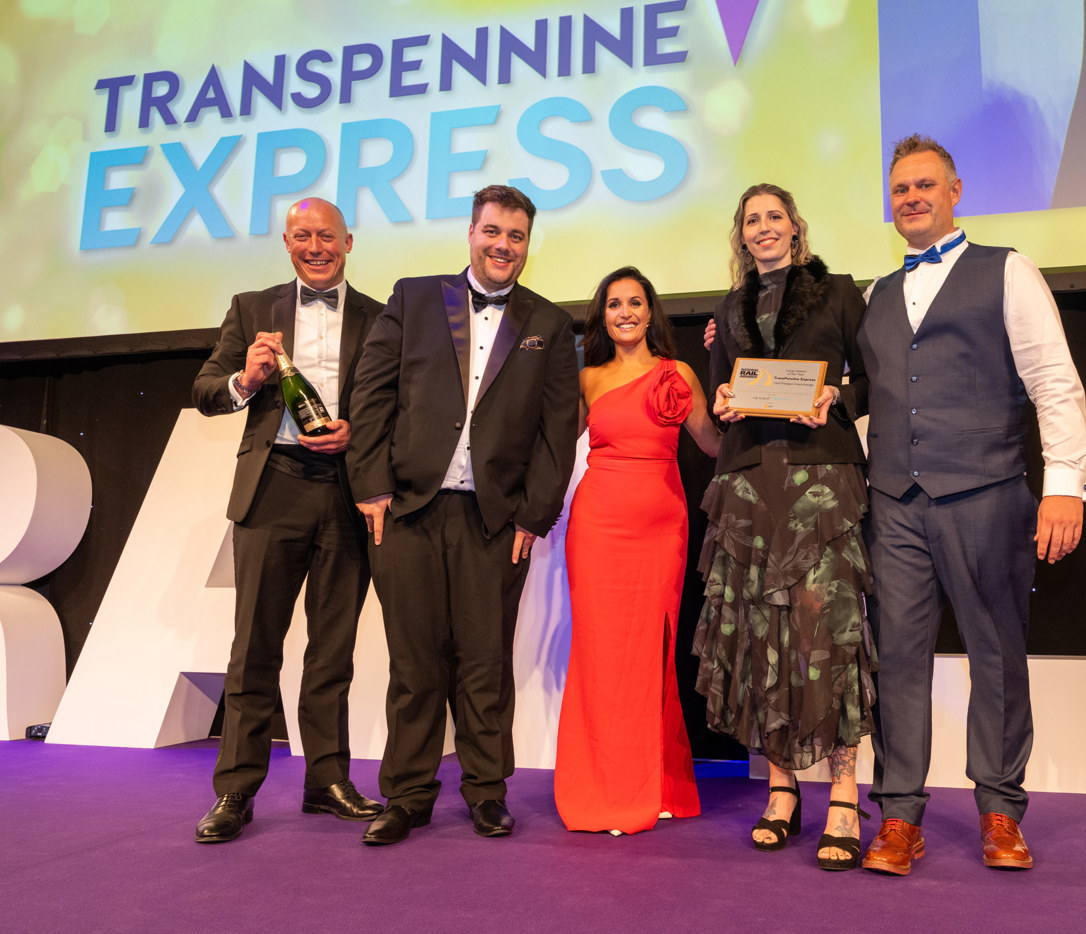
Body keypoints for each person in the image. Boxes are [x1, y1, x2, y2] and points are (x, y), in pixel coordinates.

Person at [857, 135, 1086, 875]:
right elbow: (862, 400)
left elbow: (1054, 379)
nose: (912, 198)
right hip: (894, 501)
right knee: (896, 658)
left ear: (956, 191)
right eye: (901, 190)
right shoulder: (872, 296)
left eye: (926, 185)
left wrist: (1064, 484)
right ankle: (899, 817)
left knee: (995, 653)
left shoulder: (1007, 270)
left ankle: (999, 810)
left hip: (986, 493)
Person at [346, 185, 577, 847]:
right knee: (413, 666)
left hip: (494, 522)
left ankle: (485, 791)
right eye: (493, 232)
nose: (503, 245)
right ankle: (408, 795)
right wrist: (370, 486)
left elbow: (558, 430)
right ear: (470, 233)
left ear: (528, 244)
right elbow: (372, 396)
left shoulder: (549, 324)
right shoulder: (414, 297)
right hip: (406, 512)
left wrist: (534, 516)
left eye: (516, 236)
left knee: (483, 663)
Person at [190, 197, 385, 843]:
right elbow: (205, 391)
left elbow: (397, 406)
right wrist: (246, 379)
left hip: (344, 493)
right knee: (253, 651)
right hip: (271, 488)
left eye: (326, 235)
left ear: (348, 241)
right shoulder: (252, 307)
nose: (315, 246)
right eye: (302, 235)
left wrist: (358, 433)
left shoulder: (382, 317)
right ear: (285, 241)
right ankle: (235, 792)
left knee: (333, 651)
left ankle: (326, 781)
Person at [694, 183, 877, 871]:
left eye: (775, 217)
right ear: (740, 236)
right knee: (758, 631)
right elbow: (721, 403)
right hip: (745, 481)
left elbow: (877, 376)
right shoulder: (725, 308)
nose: (764, 229)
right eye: (752, 221)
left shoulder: (837, 293)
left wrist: (837, 395)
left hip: (820, 479)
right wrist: (718, 396)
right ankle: (780, 789)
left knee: (824, 631)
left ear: (796, 228)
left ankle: (842, 792)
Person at [554, 267, 721, 835]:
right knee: (602, 656)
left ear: (652, 312)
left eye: (635, 302)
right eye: (613, 304)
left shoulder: (679, 373)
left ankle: (658, 784)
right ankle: (607, 788)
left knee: (652, 654)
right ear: (601, 315)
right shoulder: (589, 379)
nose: (624, 312)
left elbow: (713, 443)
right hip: (597, 526)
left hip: (662, 529)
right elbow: (554, 454)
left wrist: (761, 410)